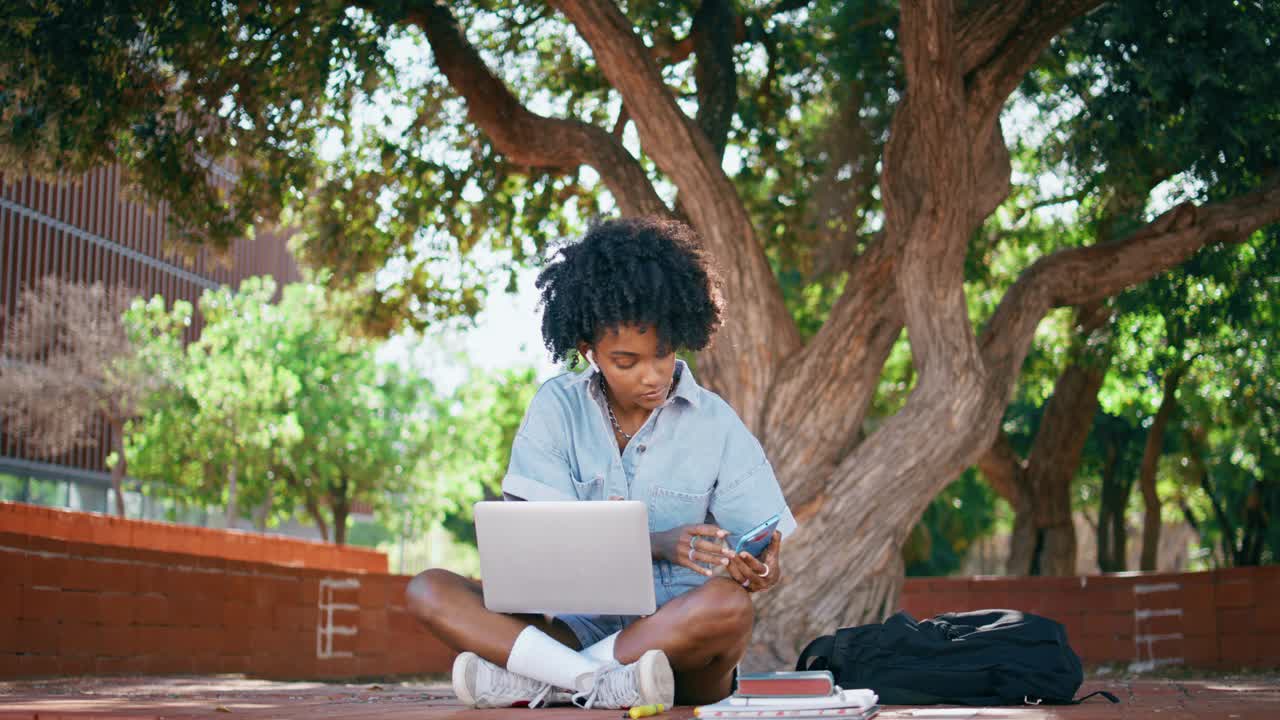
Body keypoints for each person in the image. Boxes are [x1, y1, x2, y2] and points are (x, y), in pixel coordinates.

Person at [404, 217, 796, 710]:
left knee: (729, 607)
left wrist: (764, 568)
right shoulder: (556, 409)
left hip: (678, 648)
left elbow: (760, 552)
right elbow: (534, 544)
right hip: (572, 628)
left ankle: (546, 679)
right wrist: (657, 544)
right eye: (627, 362)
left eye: (663, 353)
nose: (652, 376)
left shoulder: (716, 424)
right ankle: (595, 681)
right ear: (590, 352)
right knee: (429, 590)